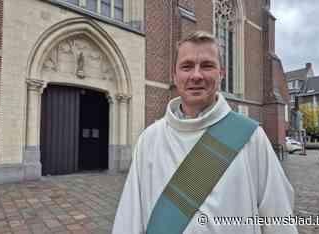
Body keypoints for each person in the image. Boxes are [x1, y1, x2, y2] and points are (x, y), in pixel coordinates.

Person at [112, 31, 297, 234]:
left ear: (221, 74)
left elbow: (278, 216)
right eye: (187, 66)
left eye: (207, 66)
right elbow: (130, 216)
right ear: (174, 76)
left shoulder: (251, 137)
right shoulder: (150, 138)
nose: (196, 75)